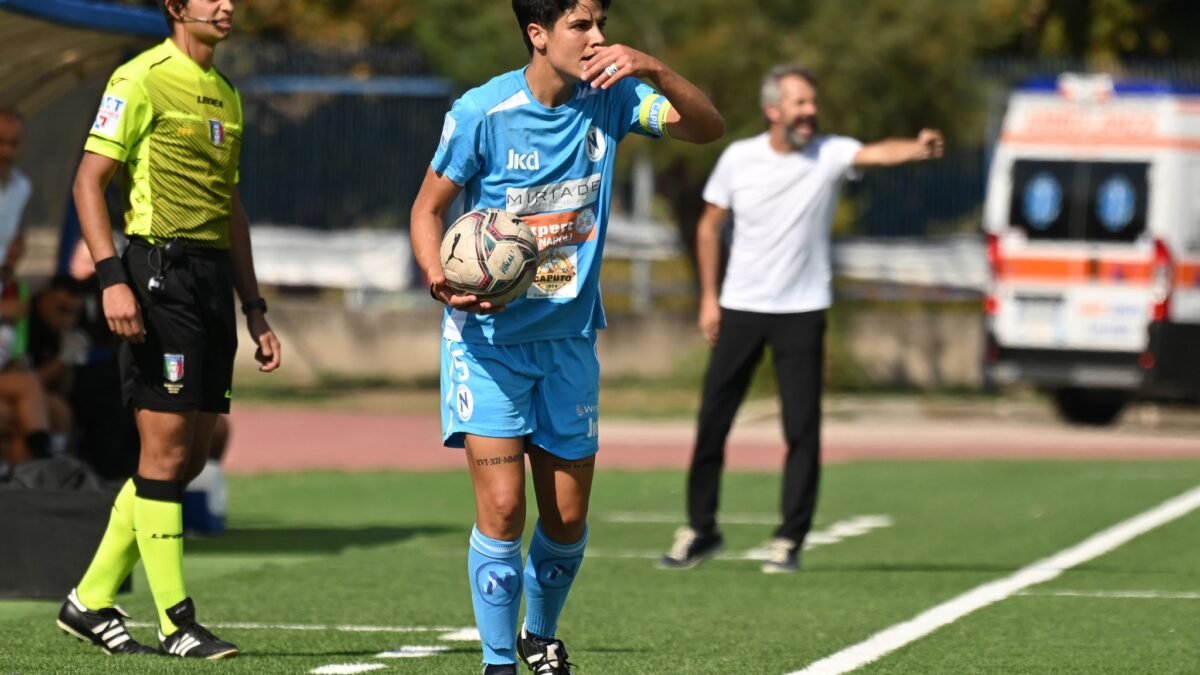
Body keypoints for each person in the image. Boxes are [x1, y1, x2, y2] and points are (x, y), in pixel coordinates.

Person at [410, 1, 722, 672]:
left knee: (567, 520)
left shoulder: (613, 98)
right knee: (501, 511)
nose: (599, 38)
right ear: (538, 34)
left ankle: (539, 632)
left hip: (570, 343)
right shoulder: (482, 113)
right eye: (581, 25)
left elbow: (705, 125)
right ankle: (498, 661)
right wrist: (439, 276)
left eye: (601, 23)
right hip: (488, 345)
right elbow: (428, 208)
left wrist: (656, 69)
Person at [57, 0, 280, 660]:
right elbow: (87, 183)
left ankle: (89, 600)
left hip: (212, 285)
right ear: (175, 7)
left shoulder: (227, 93)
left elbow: (231, 208)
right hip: (159, 275)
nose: (226, 5)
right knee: (164, 450)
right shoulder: (139, 77)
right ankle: (176, 620)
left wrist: (255, 305)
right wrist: (111, 277)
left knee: (186, 457)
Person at [659, 64, 944, 574]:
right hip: (741, 307)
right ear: (774, 110)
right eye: (799, 103)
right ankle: (701, 530)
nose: (810, 111)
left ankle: (789, 538)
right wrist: (709, 298)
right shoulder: (738, 159)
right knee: (712, 424)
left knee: (802, 429)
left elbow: (876, 153)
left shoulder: (830, 154)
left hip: (802, 310)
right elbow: (708, 227)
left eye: (813, 102)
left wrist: (918, 147)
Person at [0, 107, 54, 467]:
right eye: (0, 142)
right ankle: (48, 475)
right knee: (26, 390)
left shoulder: (20, 187)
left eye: (13, 143)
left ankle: (22, 504)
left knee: (24, 414)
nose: (6, 150)